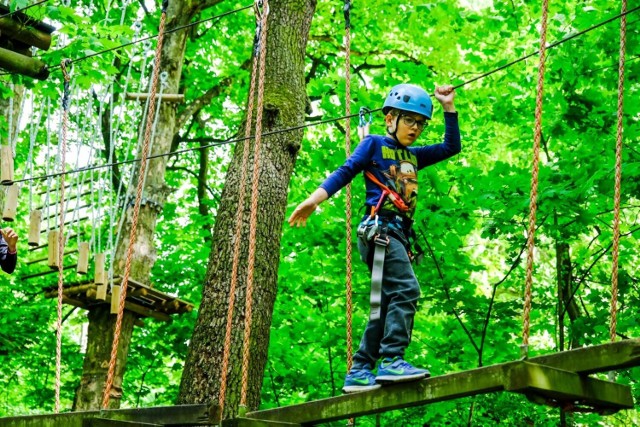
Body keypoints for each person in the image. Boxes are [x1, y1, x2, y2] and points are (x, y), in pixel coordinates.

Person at [288, 83, 461, 393]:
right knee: (407, 290)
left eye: (421, 123)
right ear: (390, 118)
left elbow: (451, 147)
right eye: (410, 120)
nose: (416, 128)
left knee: (384, 304)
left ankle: (360, 368)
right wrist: (314, 200)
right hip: (380, 230)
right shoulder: (373, 145)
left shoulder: (413, 156)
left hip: (396, 237)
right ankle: (392, 359)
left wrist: (448, 106)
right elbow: (346, 170)